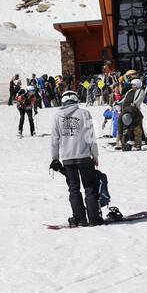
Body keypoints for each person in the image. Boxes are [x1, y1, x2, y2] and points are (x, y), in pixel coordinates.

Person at [49, 88, 102, 228]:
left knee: (74, 189)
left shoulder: (57, 116)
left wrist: (55, 158)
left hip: (68, 159)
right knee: (90, 188)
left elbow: (55, 139)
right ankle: (94, 218)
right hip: (84, 157)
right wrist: (95, 155)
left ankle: (79, 219)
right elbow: (91, 136)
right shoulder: (84, 113)